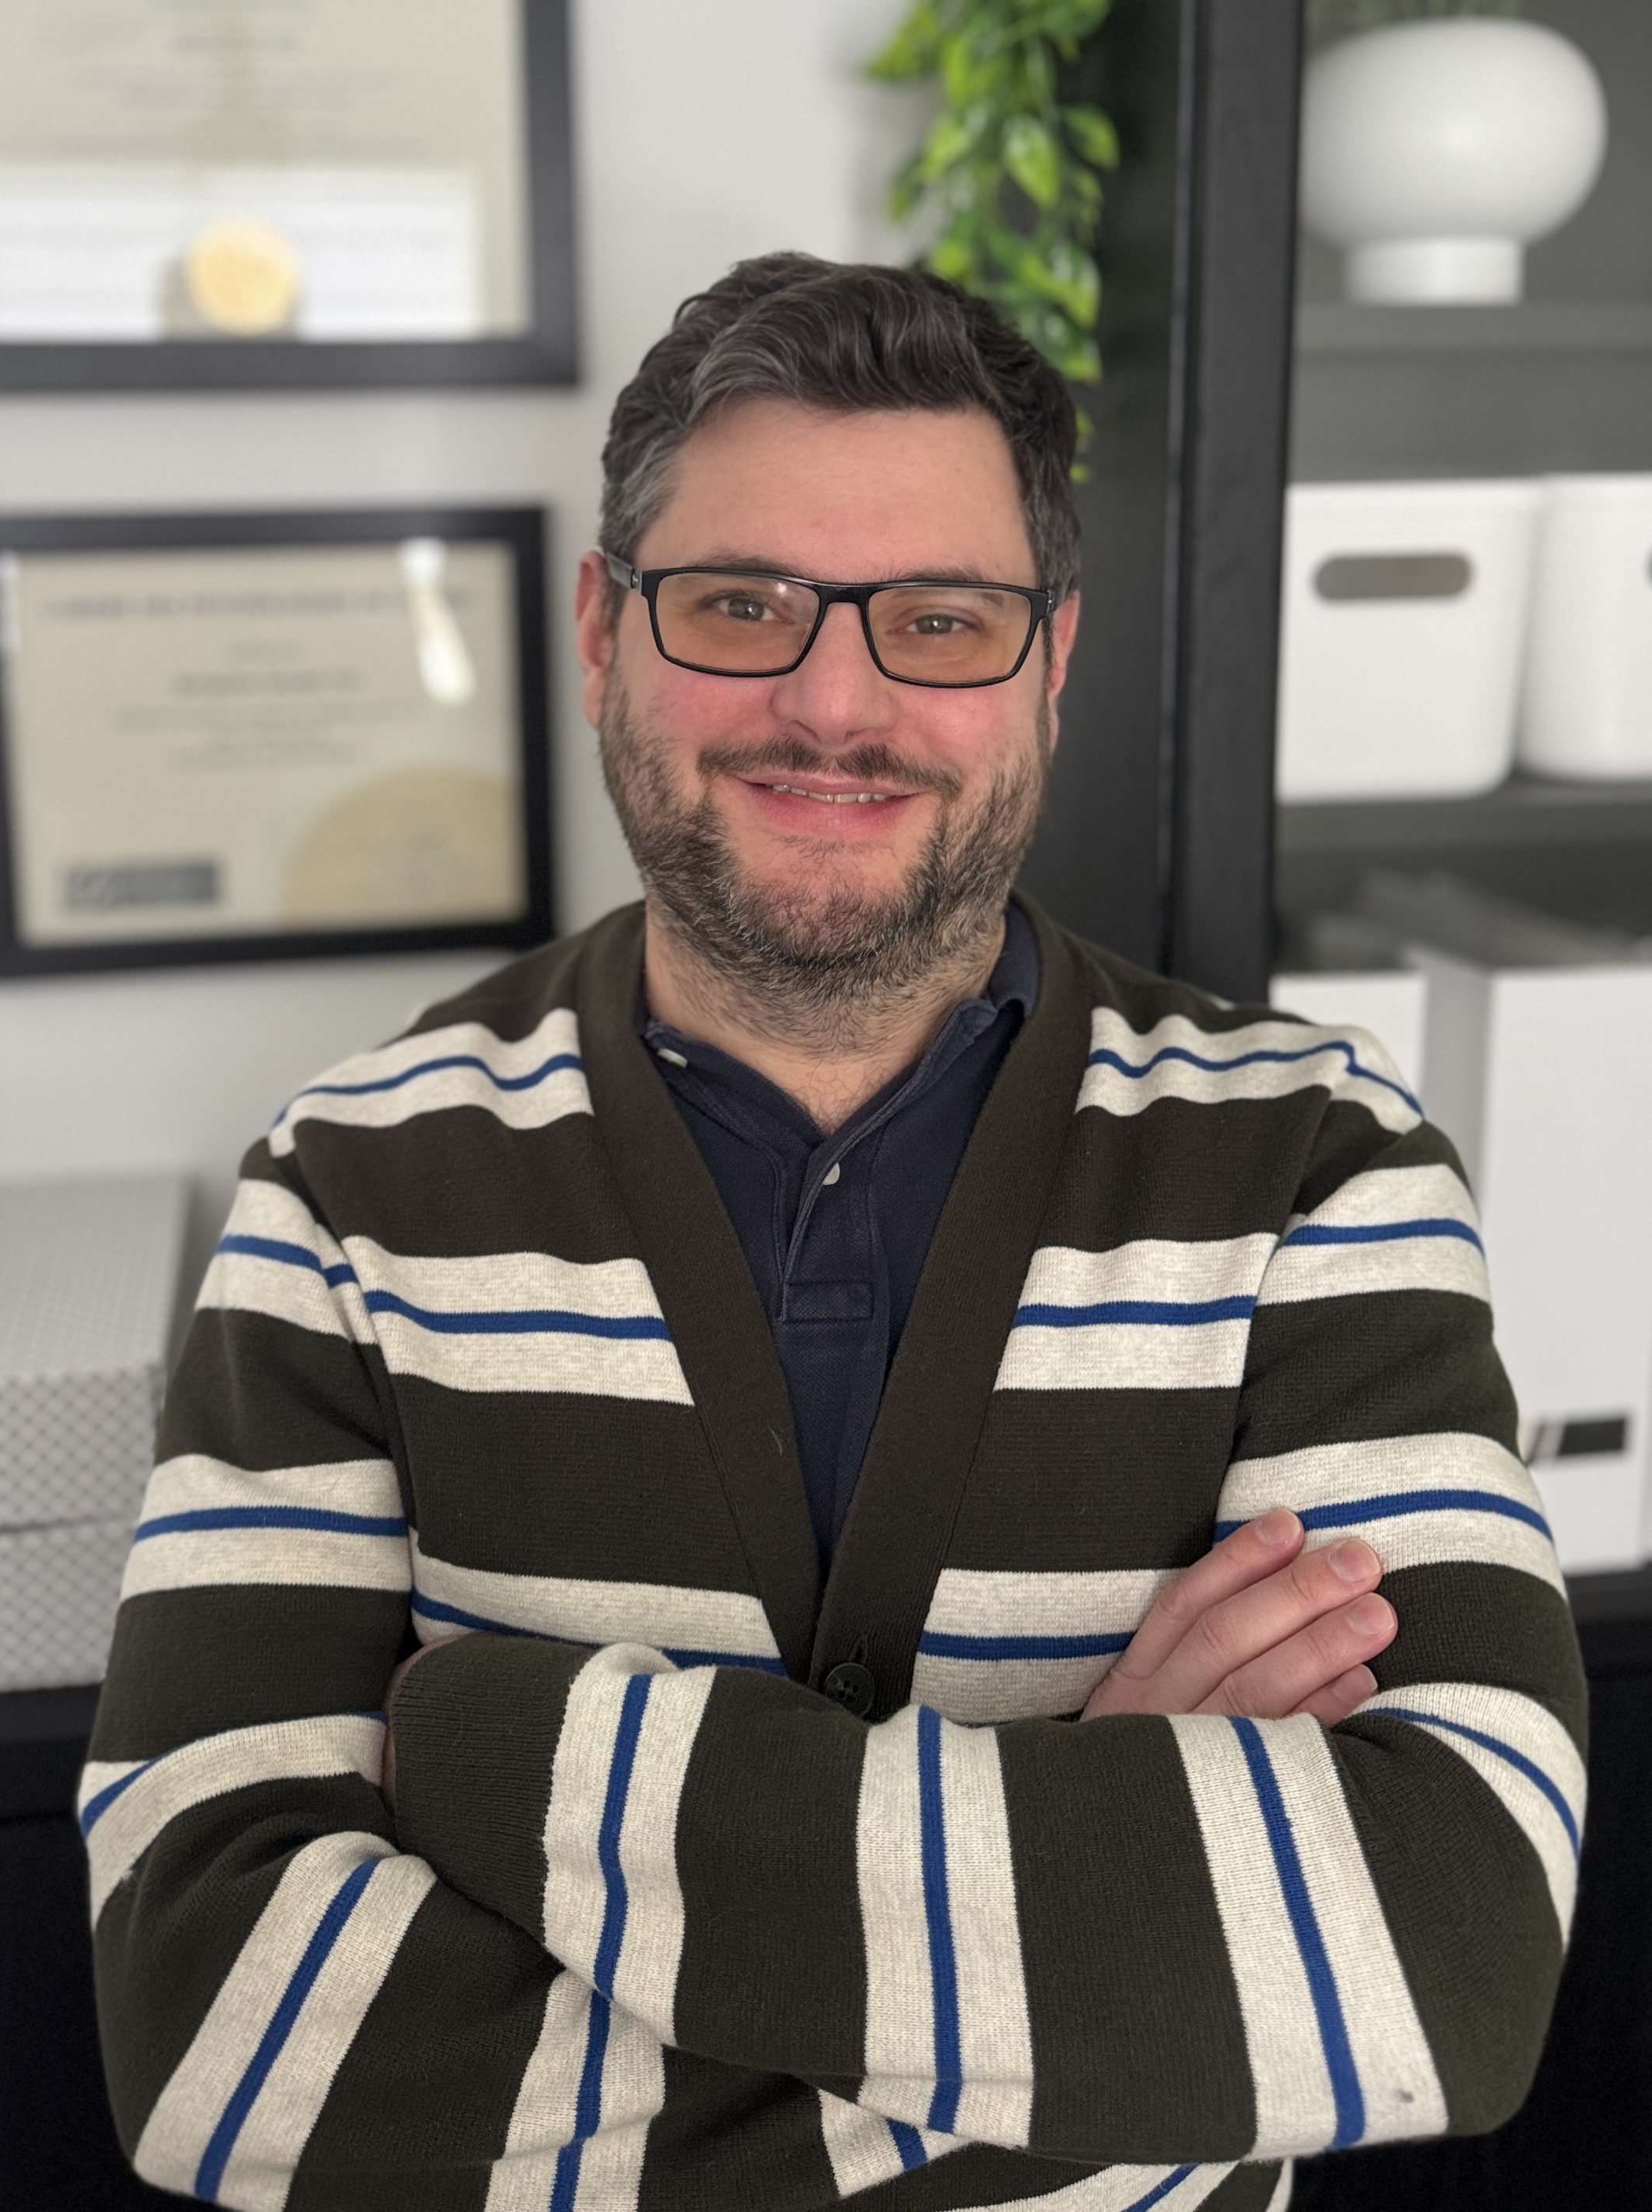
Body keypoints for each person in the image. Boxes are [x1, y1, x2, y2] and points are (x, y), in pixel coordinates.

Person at [82, 256, 1585, 2212]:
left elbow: (1440, 1962)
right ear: (604, 630)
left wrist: (496, 1746)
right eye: (739, 604)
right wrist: (1100, 1890)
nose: (833, 701)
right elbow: (219, 2038)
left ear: (1047, 660)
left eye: (938, 620)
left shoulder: (1313, 1158)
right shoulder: (348, 1184)